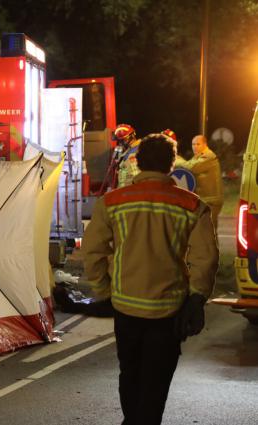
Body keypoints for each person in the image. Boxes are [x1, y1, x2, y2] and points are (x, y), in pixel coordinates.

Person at [83, 134, 218, 425]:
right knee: (155, 383)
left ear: (138, 162)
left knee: (129, 374)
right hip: (169, 311)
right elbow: (206, 257)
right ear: (171, 165)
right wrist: (196, 298)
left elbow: (92, 252)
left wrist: (104, 291)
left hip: (125, 308)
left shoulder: (112, 202)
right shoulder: (192, 205)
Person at [184, 135, 223, 228]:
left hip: (211, 201)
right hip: (205, 200)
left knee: (208, 230)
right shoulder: (197, 157)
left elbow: (191, 167)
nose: (195, 146)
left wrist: (176, 160)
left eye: (198, 144)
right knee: (204, 231)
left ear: (205, 144)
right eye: (193, 144)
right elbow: (188, 165)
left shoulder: (208, 156)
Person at [114, 124, 141, 188]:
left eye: (122, 141)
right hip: (125, 192)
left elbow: (136, 176)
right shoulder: (129, 151)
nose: (120, 143)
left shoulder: (136, 151)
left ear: (131, 137)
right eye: (119, 141)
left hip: (131, 192)